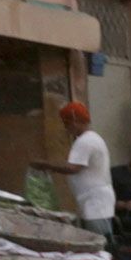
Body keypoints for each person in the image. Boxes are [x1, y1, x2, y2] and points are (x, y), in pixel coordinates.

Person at [43, 101, 115, 242]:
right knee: (97, 240)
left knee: (99, 242)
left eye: (66, 123)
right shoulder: (92, 138)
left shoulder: (85, 141)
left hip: (95, 202)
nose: (65, 128)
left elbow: (73, 168)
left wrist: (46, 165)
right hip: (93, 200)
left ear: (74, 121)